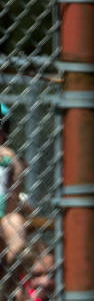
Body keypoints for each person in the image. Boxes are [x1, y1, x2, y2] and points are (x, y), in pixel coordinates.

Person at [0, 102, 31, 263]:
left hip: (4, 214)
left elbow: (14, 198)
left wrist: (15, 164)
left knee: (17, 227)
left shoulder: (8, 160)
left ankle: (5, 277)